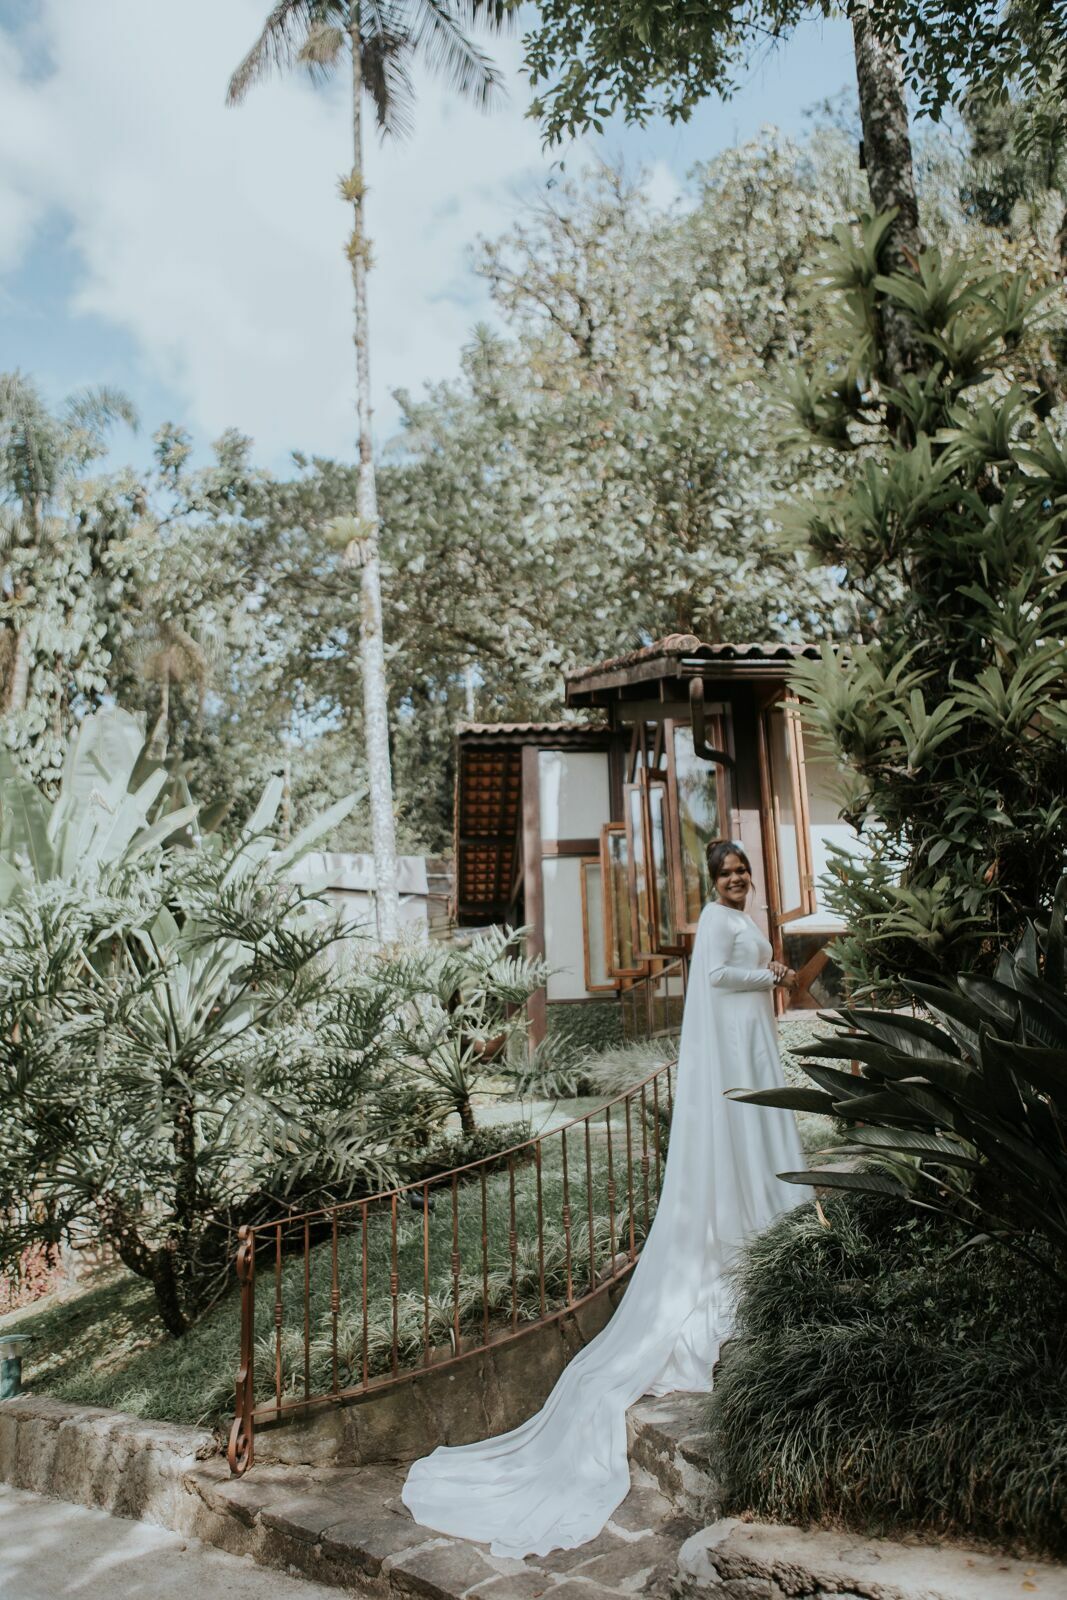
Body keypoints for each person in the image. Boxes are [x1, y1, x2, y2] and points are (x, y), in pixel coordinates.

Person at [401, 839, 806, 1558]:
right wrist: (767, 972)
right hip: (739, 1031)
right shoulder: (714, 918)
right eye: (728, 875)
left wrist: (768, 968)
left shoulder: (745, 912)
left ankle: (771, 1218)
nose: (738, 882)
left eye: (743, 873)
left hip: (752, 1038)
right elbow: (717, 978)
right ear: (713, 881)